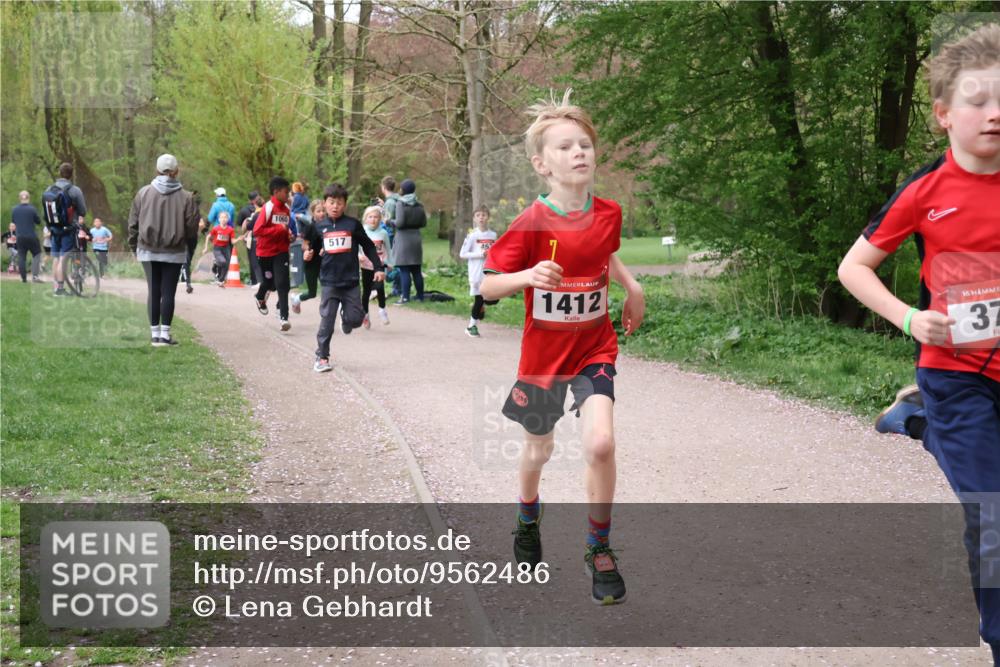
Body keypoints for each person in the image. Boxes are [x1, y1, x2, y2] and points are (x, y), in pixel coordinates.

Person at [837, 24, 1000, 663]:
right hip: (956, 374)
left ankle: (916, 422)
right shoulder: (924, 193)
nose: (995, 113)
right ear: (942, 115)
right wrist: (910, 319)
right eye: (978, 100)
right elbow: (854, 268)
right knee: (992, 515)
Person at [480, 90, 645, 606]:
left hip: (595, 345)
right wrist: (527, 275)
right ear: (541, 164)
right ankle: (527, 515)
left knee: (600, 443)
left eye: (585, 145)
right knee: (540, 448)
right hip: (543, 359)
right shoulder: (531, 223)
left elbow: (605, 253)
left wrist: (632, 287)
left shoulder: (609, 212)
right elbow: (485, 286)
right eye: (565, 147)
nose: (579, 153)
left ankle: (599, 547)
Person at [304, 183, 385, 372]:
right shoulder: (319, 226)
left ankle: (347, 318)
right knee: (326, 321)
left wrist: (378, 268)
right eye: (331, 202)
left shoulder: (352, 224)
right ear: (324, 204)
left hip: (350, 281)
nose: (335, 206)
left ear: (345, 204)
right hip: (329, 281)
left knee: (357, 319)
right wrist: (308, 255)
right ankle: (322, 358)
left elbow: (369, 246)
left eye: (339, 203)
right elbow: (312, 250)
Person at [127, 153, 199, 347]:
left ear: (157, 170)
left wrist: (134, 247)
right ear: (176, 171)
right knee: (168, 292)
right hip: (175, 251)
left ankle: (154, 335)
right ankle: (165, 335)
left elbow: (133, 224)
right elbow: (192, 229)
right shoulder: (187, 198)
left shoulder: (143, 193)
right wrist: (189, 249)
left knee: (154, 291)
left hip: (147, 250)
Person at [253, 176, 294, 331]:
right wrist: (279, 229)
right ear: (276, 192)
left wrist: (290, 235)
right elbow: (257, 231)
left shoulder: (287, 210)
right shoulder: (268, 208)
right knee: (270, 284)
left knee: (283, 284)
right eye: (286, 192)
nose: (288, 195)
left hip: (281, 251)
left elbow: (286, 229)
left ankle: (284, 317)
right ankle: (259, 296)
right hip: (265, 252)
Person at [44, 162, 87, 296]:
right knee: (63, 257)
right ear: (71, 174)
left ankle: (56, 287)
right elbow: (83, 211)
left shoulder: (49, 189)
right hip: (68, 229)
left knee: (56, 257)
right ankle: (61, 289)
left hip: (53, 228)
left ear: (60, 173)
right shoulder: (74, 190)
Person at [459, 204, 499, 337]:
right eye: (478, 215)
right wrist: (480, 254)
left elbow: (496, 252)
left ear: (488, 217)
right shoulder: (472, 236)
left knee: (494, 299)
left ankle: (481, 307)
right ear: (474, 219)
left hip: (490, 272)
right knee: (479, 299)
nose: (481, 218)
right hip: (476, 272)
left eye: (483, 215)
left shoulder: (493, 235)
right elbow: (463, 254)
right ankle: (471, 327)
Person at [391, 178, 426, 304]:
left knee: (404, 269)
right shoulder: (419, 204)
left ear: (403, 190)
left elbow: (399, 223)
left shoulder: (400, 204)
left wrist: (390, 221)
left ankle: (405, 297)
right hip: (416, 237)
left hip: (403, 238)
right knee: (416, 269)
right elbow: (424, 222)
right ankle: (420, 296)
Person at [359, 204, 392, 327]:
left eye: (376, 217)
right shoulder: (362, 231)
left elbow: (388, 248)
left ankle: (382, 310)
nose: (373, 219)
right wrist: (358, 256)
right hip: (366, 265)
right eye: (370, 217)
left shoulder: (383, 233)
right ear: (365, 218)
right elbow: (356, 247)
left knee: (379, 288)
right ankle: (365, 314)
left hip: (380, 264)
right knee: (366, 291)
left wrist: (390, 262)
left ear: (380, 219)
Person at [291, 199, 325, 314]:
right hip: (311, 262)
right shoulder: (310, 227)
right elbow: (304, 245)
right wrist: (308, 251)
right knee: (312, 293)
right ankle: (296, 299)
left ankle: (326, 311)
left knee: (328, 288)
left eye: (323, 211)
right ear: (313, 212)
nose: (322, 213)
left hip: (324, 262)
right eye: (319, 211)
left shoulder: (329, 226)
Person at [11, 191, 43, 283]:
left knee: (22, 257)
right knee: (37, 254)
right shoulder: (32, 209)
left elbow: (13, 221)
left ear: (20, 198)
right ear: (28, 198)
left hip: (20, 236)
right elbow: (38, 221)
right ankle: (35, 277)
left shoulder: (14, 210)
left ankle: (23, 278)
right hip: (31, 236)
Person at [380, 177, 402, 296]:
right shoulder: (397, 200)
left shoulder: (390, 202)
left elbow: (387, 221)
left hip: (392, 235)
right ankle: (398, 288)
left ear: (383, 187)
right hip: (399, 235)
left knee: (392, 264)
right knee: (396, 261)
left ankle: (398, 288)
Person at [204, 211, 235, 285]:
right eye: (222, 217)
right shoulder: (216, 229)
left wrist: (239, 239)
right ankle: (216, 264)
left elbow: (232, 241)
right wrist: (205, 248)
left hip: (226, 248)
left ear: (228, 219)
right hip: (217, 248)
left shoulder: (230, 229)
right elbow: (208, 237)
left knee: (226, 264)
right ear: (219, 219)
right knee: (222, 261)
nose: (223, 219)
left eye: (225, 217)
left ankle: (220, 280)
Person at [236, 191, 261, 285]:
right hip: (262, 237)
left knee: (252, 259)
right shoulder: (263, 209)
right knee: (262, 258)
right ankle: (262, 280)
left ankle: (254, 281)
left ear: (248, 200)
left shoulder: (244, 210)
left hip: (249, 237)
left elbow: (239, 223)